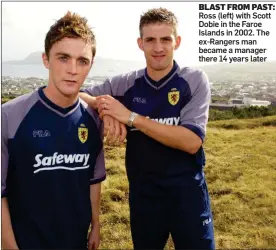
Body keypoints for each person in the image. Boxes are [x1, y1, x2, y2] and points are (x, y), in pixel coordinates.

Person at [79, 7, 215, 249]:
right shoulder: (125, 83)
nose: (158, 47)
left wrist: (131, 117)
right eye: (150, 40)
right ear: (140, 43)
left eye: (165, 39)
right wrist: (107, 110)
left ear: (178, 42)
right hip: (145, 197)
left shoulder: (193, 80)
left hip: (188, 195)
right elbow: (78, 95)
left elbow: (191, 141)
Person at [1, 12, 106, 250]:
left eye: (82, 61)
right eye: (63, 58)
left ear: (91, 65)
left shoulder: (92, 119)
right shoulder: (9, 116)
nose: (72, 69)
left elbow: (93, 179)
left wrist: (96, 225)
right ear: (46, 60)